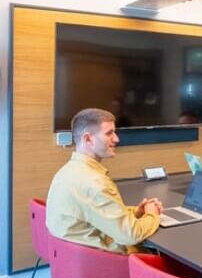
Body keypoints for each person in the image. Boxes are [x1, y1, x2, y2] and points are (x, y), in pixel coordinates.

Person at [46, 108, 162, 253]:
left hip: (76, 259)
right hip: (109, 263)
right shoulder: (95, 183)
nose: (116, 139)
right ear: (88, 138)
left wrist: (135, 213)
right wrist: (152, 214)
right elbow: (131, 235)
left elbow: (95, 213)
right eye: (109, 133)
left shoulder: (66, 171)